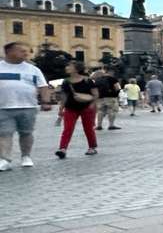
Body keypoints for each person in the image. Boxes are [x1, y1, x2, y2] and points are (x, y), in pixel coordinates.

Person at [0, 42, 52, 170]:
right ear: (9, 52)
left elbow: (43, 86)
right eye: (21, 51)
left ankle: (26, 156)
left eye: (26, 51)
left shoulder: (33, 69)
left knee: (26, 133)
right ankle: (4, 159)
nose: (25, 53)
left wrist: (46, 101)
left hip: (28, 106)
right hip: (3, 107)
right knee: (4, 133)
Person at [55, 61, 98, 158]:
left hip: (86, 107)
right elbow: (64, 97)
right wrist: (61, 109)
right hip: (70, 108)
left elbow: (95, 94)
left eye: (69, 66)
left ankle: (92, 147)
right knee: (67, 129)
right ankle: (62, 149)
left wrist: (92, 104)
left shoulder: (88, 81)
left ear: (76, 68)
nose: (67, 67)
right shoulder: (66, 81)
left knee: (88, 129)